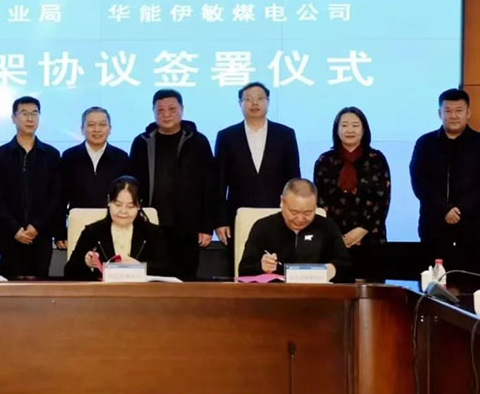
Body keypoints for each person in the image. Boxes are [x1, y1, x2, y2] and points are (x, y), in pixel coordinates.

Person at [239, 178, 350, 394]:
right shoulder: (264, 227)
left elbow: (345, 265)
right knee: (274, 335)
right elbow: (244, 269)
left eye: (308, 213)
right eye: (294, 212)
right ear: (282, 203)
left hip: (317, 307)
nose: (300, 218)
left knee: (325, 335)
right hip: (275, 307)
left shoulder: (326, 227)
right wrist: (260, 266)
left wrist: (330, 270)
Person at [64, 176, 168, 394]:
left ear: (139, 206)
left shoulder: (151, 232)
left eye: (130, 206)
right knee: (118, 327)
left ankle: (138, 393)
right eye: (118, 204)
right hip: (102, 307)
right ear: (108, 203)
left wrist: (140, 266)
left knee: (138, 329)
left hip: (142, 306)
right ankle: (119, 391)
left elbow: (167, 268)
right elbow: (70, 271)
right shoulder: (93, 231)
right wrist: (86, 263)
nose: (123, 211)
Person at [128, 89, 215, 280]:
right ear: (153, 112)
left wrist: (207, 226)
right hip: (150, 225)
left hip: (187, 227)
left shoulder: (198, 142)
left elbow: (210, 186)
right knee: (151, 280)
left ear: (182, 109)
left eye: (172, 109)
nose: (166, 114)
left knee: (185, 281)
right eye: (160, 110)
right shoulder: (141, 143)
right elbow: (131, 188)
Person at [215, 82, 300, 259]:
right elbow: (219, 183)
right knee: (240, 265)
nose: (254, 103)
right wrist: (220, 221)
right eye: (248, 99)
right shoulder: (226, 136)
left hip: (278, 215)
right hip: (238, 216)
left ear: (268, 102)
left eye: (260, 98)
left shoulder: (285, 134)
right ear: (240, 103)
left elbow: (294, 179)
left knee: (278, 265)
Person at [410, 88, 480, 279]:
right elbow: (419, 181)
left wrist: (461, 210)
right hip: (434, 227)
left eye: (459, 110)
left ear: (468, 113)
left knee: (471, 285)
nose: (453, 116)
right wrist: (444, 209)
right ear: (439, 113)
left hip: (473, 229)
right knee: (433, 285)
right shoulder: (425, 143)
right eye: (448, 111)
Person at [314, 107, 391, 281]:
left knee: (371, 291)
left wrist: (361, 230)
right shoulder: (324, 161)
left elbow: (383, 200)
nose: (350, 130)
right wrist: (338, 236)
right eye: (344, 125)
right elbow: (319, 202)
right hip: (334, 240)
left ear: (364, 130)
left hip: (370, 237)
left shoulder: (376, 159)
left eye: (355, 125)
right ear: (337, 130)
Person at [0, 96, 61, 279]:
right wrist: (14, 229)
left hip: (41, 236)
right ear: (13, 118)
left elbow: (56, 197)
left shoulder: (51, 155)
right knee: (8, 288)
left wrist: (37, 226)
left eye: (34, 114)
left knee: (39, 288)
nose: (30, 118)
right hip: (9, 237)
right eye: (24, 113)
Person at [56, 106, 128, 249]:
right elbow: (61, 198)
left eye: (102, 124)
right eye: (91, 125)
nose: (97, 129)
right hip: (79, 226)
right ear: (82, 129)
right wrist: (60, 232)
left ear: (110, 129)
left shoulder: (121, 158)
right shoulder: (69, 157)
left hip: (114, 228)